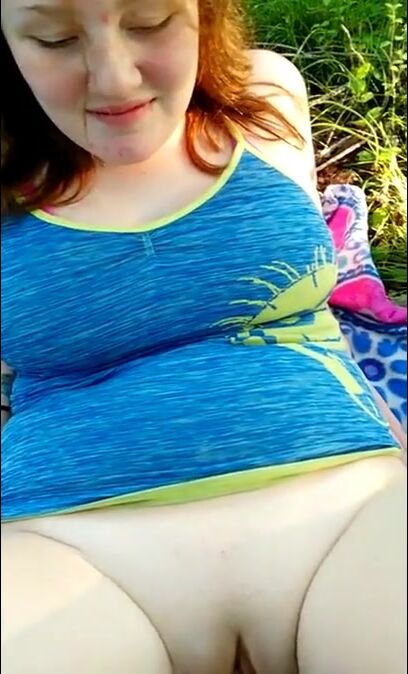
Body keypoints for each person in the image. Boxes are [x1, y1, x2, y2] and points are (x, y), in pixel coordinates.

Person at [1, 1, 406, 672]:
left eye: (149, 21)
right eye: (55, 38)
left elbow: (307, 305)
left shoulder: (264, 95)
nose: (115, 78)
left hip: (345, 505)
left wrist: (390, 436)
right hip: (70, 548)